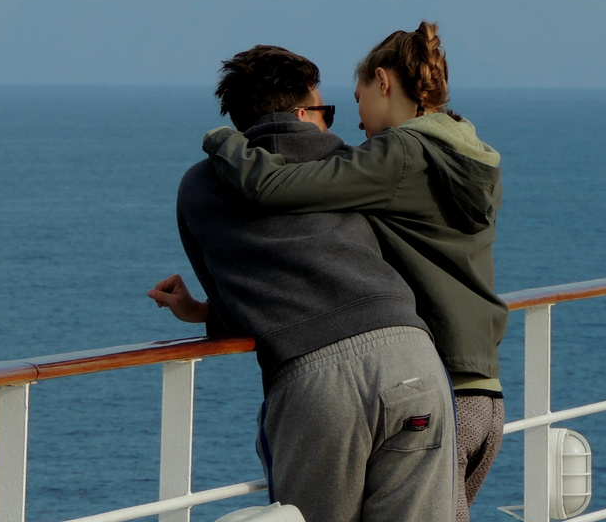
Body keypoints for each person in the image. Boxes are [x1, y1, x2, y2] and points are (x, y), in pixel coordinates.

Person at [205, 23, 507, 522]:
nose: (357, 123)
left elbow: (278, 188)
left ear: (384, 83)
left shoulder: (401, 156)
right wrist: (206, 311)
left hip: (443, 383)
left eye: (358, 98)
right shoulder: (465, 153)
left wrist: (225, 142)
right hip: (485, 391)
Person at [149, 44, 456, 522]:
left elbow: (239, 304)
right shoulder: (349, 165)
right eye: (325, 111)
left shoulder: (200, 187)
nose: (331, 124)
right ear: (300, 111)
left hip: (318, 382)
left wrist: (200, 312)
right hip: (412, 354)